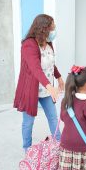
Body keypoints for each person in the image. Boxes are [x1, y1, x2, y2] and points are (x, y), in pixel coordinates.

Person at [14, 14, 64, 150]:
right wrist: (50, 86)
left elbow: (50, 63)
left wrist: (59, 77)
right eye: (52, 27)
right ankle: (27, 150)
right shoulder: (28, 45)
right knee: (28, 123)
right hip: (31, 90)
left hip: (46, 90)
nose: (54, 31)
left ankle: (59, 146)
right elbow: (35, 68)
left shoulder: (48, 43)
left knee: (53, 118)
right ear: (43, 28)